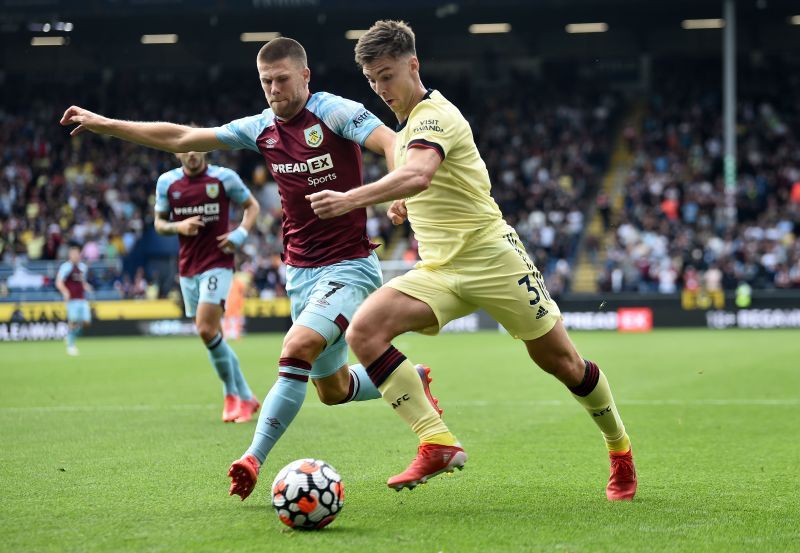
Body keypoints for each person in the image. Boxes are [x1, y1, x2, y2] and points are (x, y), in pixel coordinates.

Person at [60, 37, 441, 501]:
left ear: (305, 75)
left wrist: (396, 189)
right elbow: (181, 137)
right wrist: (104, 124)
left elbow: (390, 140)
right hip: (300, 274)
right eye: (266, 82)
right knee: (334, 390)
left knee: (295, 347)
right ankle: (409, 376)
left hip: (349, 266)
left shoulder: (334, 111)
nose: (274, 90)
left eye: (282, 79)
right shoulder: (261, 127)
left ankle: (253, 458)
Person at [307, 20, 637, 500]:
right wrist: (401, 203)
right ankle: (436, 441)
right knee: (364, 331)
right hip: (440, 270)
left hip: (494, 259)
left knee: (562, 363)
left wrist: (351, 200)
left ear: (413, 65)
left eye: (387, 75)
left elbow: (420, 174)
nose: (381, 89)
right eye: (372, 80)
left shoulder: (435, 115)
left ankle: (620, 450)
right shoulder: (404, 130)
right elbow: (419, 183)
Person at [154, 150, 261, 424]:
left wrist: (240, 233)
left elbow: (252, 206)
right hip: (188, 268)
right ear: (177, 152)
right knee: (211, 335)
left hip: (218, 262)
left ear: (204, 149)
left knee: (205, 329)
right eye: (185, 149)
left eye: (196, 147)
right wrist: (179, 226)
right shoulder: (167, 182)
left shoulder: (223, 178)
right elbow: (159, 224)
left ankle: (232, 394)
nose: (191, 153)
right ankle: (245, 397)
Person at [55, 244, 93, 356]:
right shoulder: (66, 267)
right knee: (73, 322)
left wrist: (87, 286)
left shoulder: (82, 267)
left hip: (82, 298)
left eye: (77, 253)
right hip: (72, 300)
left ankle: (70, 336)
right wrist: (65, 292)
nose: (75, 256)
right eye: (73, 254)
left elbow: (81, 282)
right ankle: (71, 346)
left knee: (86, 322)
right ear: (70, 255)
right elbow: (58, 282)